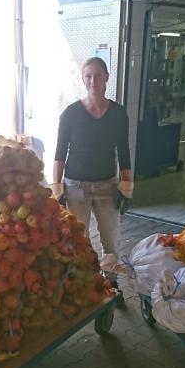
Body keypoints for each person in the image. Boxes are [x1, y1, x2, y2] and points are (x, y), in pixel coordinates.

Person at [50, 57, 132, 304]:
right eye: (88, 76)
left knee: (110, 238)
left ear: (107, 77)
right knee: (78, 239)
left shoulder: (118, 114)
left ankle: (111, 283)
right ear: (83, 79)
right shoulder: (71, 114)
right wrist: (58, 190)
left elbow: (125, 152)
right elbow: (59, 153)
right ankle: (81, 285)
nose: (93, 81)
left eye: (98, 75)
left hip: (108, 185)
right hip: (75, 188)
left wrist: (126, 189)